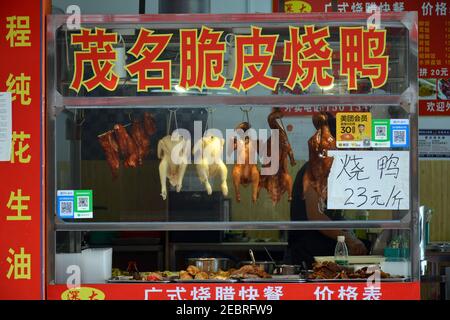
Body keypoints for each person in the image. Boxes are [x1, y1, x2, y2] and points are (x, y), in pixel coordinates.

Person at [286, 113, 368, 268]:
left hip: (327, 253)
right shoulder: (314, 170)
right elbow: (315, 215)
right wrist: (349, 239)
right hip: (307, 253)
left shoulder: (332, 171)